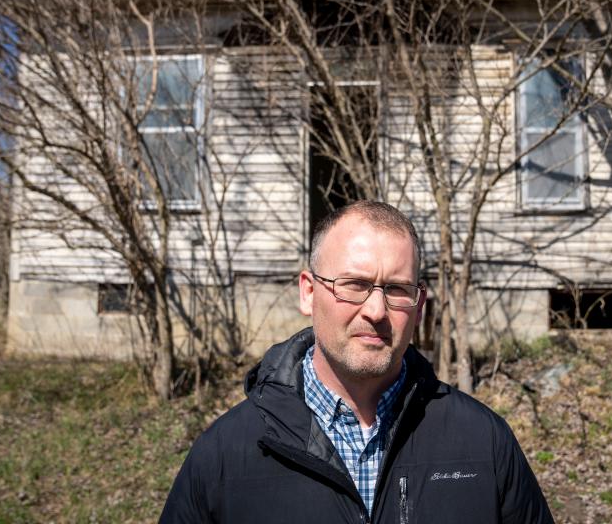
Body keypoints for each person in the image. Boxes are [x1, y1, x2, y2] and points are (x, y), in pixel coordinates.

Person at [159, 201, 553, 523]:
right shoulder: (225, 456)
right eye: (355, 285)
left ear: (419, 308)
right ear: (309, 293)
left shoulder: (483, 443)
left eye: (397, 289)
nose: (376, 310)